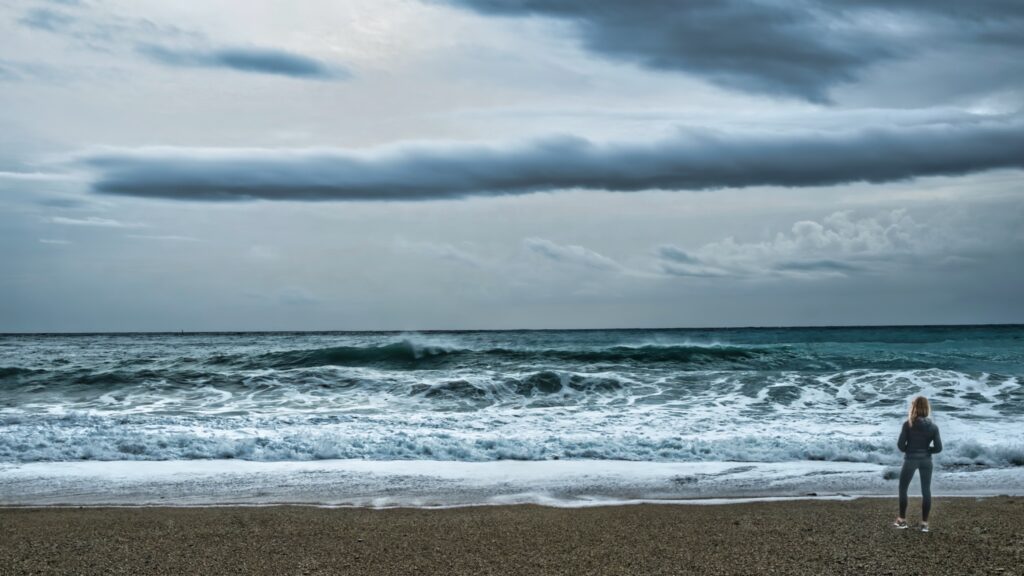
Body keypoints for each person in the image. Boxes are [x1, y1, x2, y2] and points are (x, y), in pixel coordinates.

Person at [893, 396, 942, 532]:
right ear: (927, 408)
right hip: (926, 460)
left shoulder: (907, 424)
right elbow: (938, 448)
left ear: (913, 408)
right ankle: (924, 523)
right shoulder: (933, 427)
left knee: (903, 489)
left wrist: (911, 449)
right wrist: (927, 450)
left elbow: (901, 446)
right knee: (926, 491)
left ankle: (902, 520)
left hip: (910, 460)